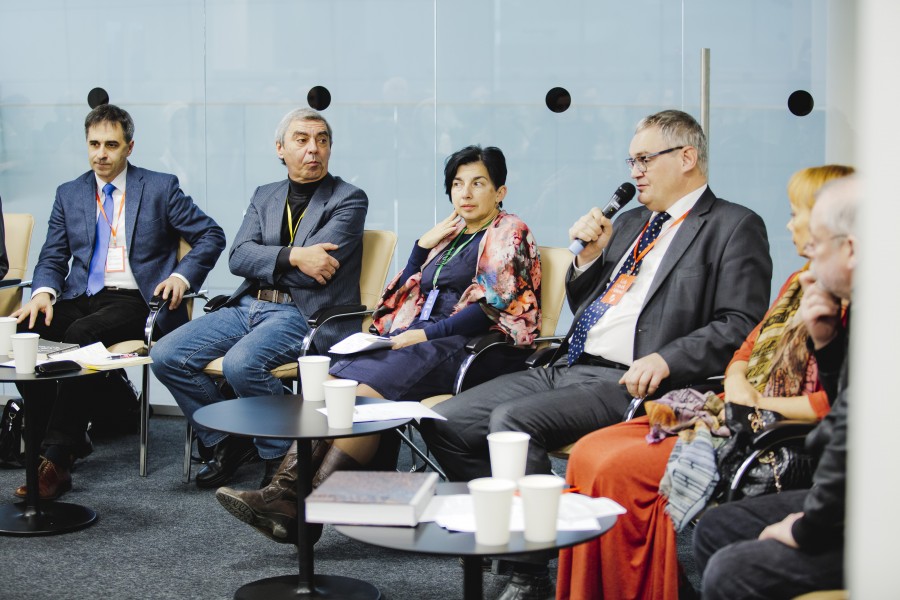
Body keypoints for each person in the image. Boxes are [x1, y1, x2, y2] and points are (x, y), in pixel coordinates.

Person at [419, 109, 773, 599]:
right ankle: (539, 531)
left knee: (511, 424)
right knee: (443, 422)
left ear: (687, 158)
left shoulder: (733, 225)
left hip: (634, 379)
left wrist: (668, 358)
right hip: (569, 363)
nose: (635, 172)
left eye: (645, 159)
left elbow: (738, 322)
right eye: (632, 161)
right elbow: (590, 304)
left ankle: (526, 573)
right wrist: (587, 260)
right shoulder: (629, 223)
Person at [215, 144, 542, 545]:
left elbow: (491, 308)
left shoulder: (510, 230)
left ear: (500, 191)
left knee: (364, 397)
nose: (466, 193)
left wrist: (425, 334)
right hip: (421, 337)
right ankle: (287, 497)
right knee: (336, 386)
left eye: (478, 184)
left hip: (473, 345)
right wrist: (421, 248)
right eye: (458, 184)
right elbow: (401, 294)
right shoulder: (451, 234)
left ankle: (298, 506)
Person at [555, 164, 854, 600]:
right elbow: (748, 347)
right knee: (588, 452)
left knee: (617, 469)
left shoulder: (846, 298)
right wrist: (739, 384)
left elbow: (834, 404)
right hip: (734, 404)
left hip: (772, 431)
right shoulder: (799, 283)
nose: (789, 224)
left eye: (797, 213)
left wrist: (756, 404)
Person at [11, 103, 226, 500]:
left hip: (137, 299)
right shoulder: (70, 193)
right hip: (81, 294)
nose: (101, 154)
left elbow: (211, 235)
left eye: (111, 145)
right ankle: (57, 439)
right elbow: (53, 256)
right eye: (94, 144)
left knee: (81, 334)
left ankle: (57, 459)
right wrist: (42, 293)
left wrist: (180, 276)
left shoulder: (159, 187)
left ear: (129, 147)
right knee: (25, 332)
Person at [150, 107, 368, 490]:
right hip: (248, 304)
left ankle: (279, 455)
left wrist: (268, 261)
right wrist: (295, 256)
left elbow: (318, 271)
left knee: (241, 364)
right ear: (280, 148)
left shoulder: (348, 199)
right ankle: (228, 439)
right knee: (166, 355)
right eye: (302, 140)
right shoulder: (265, 195)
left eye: (322, 140)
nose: (313, 149)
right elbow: (237, 257)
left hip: (304, 312)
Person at [691, 176, 856, 600]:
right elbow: (846, 407)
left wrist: (805, 528)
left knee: (730, 571)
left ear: (852, 249)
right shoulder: (823, 295)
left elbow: (850, 441)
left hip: (873, 510)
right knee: (715, 528)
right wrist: (828, 346)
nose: (807, 247)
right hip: (846, 490)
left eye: (818, 238)